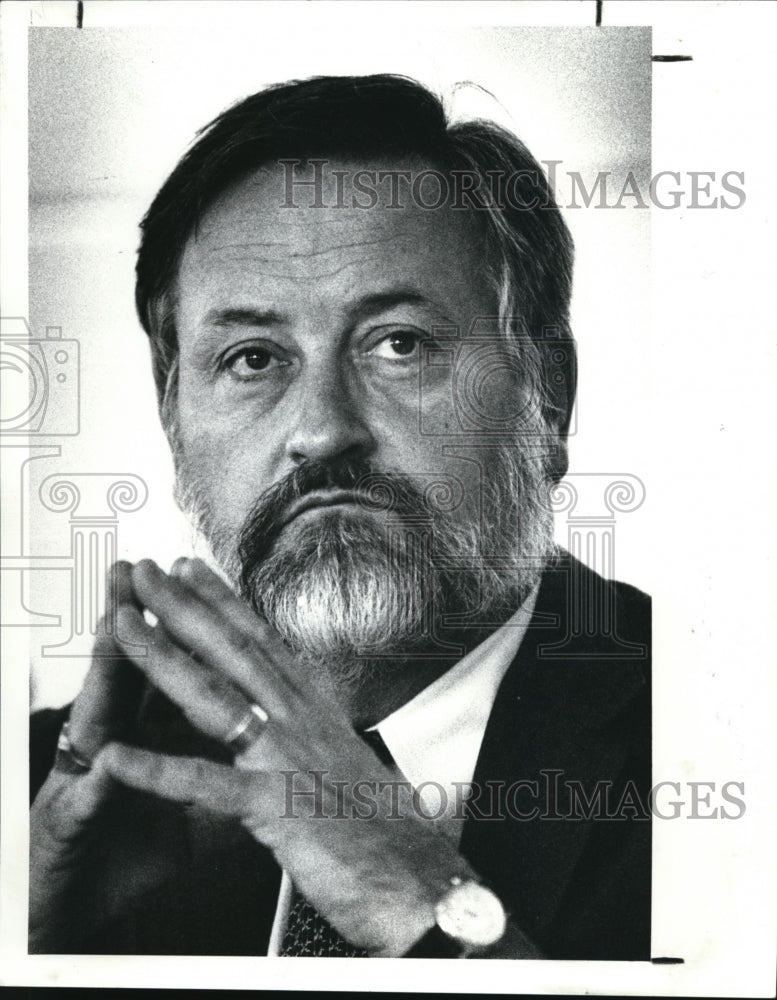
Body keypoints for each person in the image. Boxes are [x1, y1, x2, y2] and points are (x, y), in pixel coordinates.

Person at [29, 74, 651, 960]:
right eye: (252, 358)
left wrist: (417, 898)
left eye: (400, 344)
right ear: (173, 423)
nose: (321, 432)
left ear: (548, 397)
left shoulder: (727, 734)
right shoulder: (53, 801)